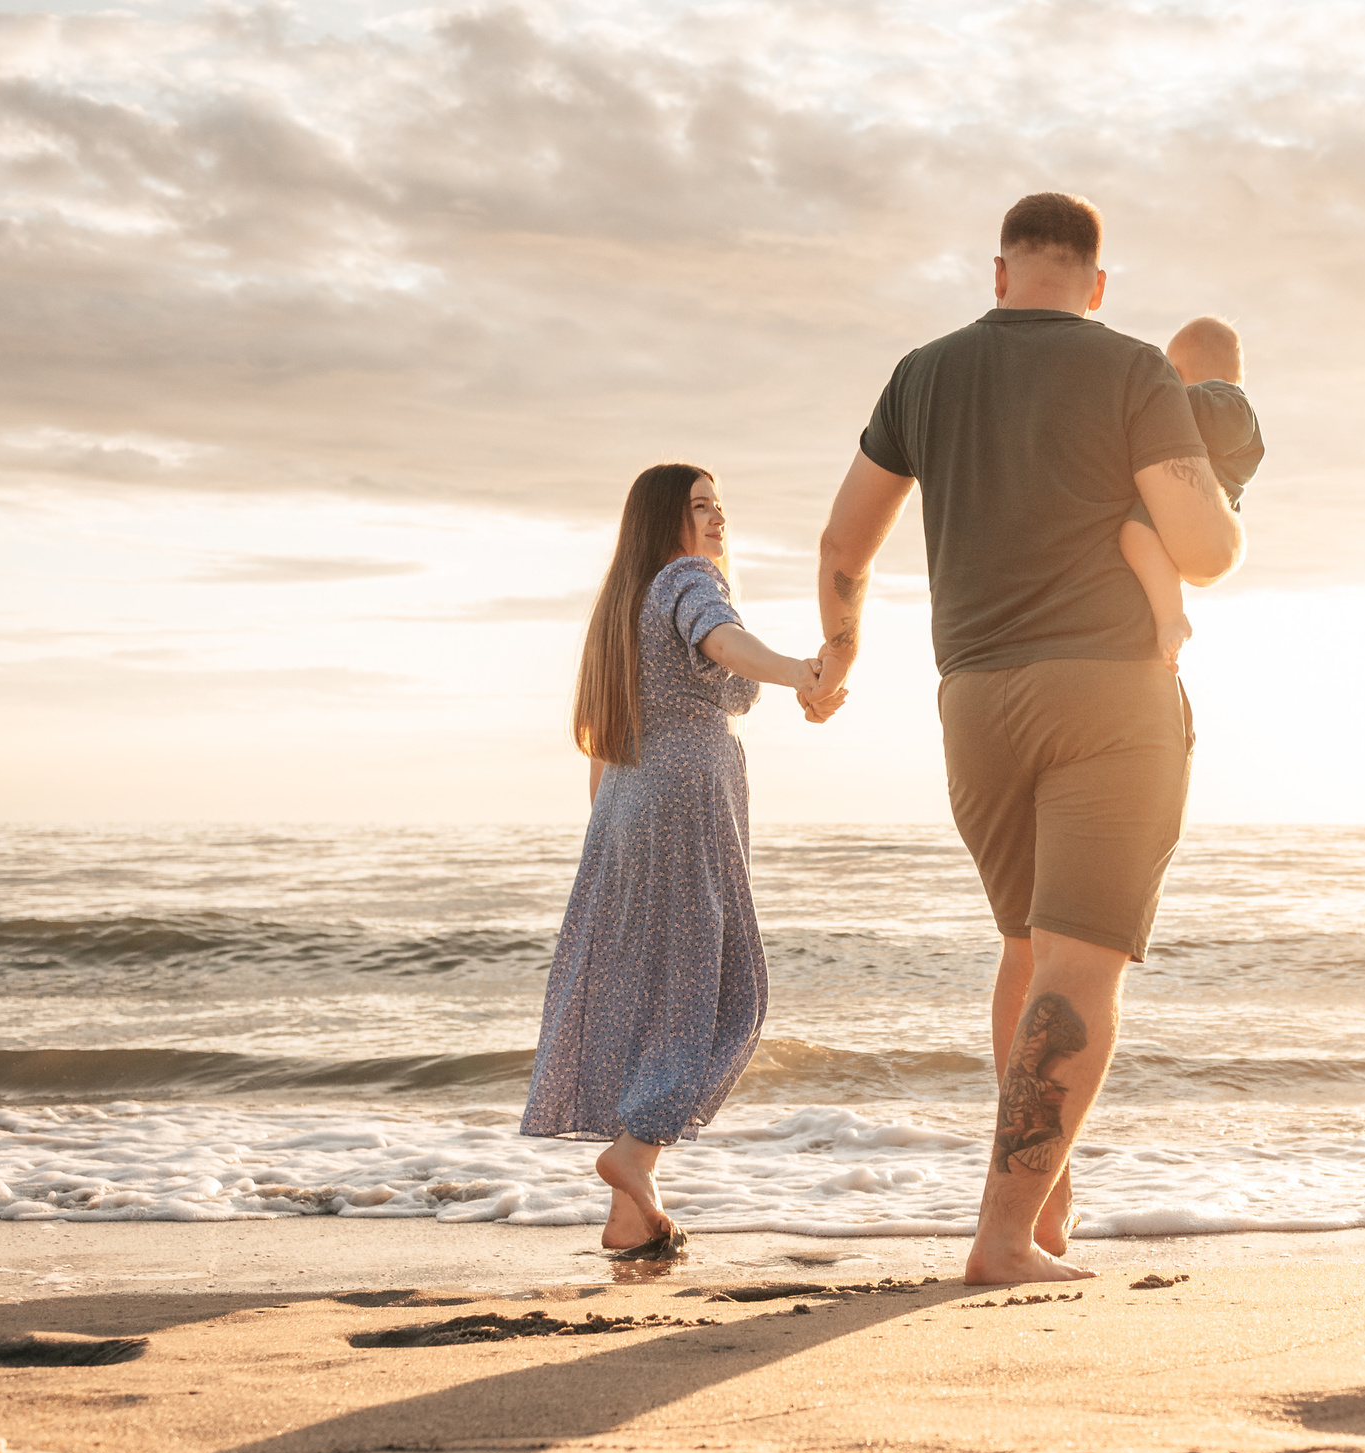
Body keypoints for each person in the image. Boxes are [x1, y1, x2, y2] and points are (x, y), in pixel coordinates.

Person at [798, 193, 1245, 1284]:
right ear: (1095, 287)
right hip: (1107, 696)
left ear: (1001, 275)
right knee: (1082, 969)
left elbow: (845, 541)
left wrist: (839, 656)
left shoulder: (924, 372)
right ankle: (1001, 1239)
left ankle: (1041, 1209)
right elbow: (1204, 550)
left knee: (1025, 951)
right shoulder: (1132, 368)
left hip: (977, 702)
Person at [521, 463, 830, 1258]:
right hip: (687, 800)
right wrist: (799, 670)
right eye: (700, 507)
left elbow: (603, 736)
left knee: (651, 996)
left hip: (624, 806)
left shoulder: (623, 606)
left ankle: (634, 1210)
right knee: (726, 995)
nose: (717, 519)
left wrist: (618, 838)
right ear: (667, 522)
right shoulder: (687, 581)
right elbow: (720, 638)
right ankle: (636, 1150)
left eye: (721, 506)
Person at [1119, 316, 1265, 666]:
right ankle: (1167, 614)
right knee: (1148, 550)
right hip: (1184, 509)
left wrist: (1164, 400)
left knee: (1134, 536)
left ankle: (1170, 617)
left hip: (1194, 506)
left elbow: (1221, 426)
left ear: (1178, 374)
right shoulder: (1217, 400)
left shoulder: (1231, 403)